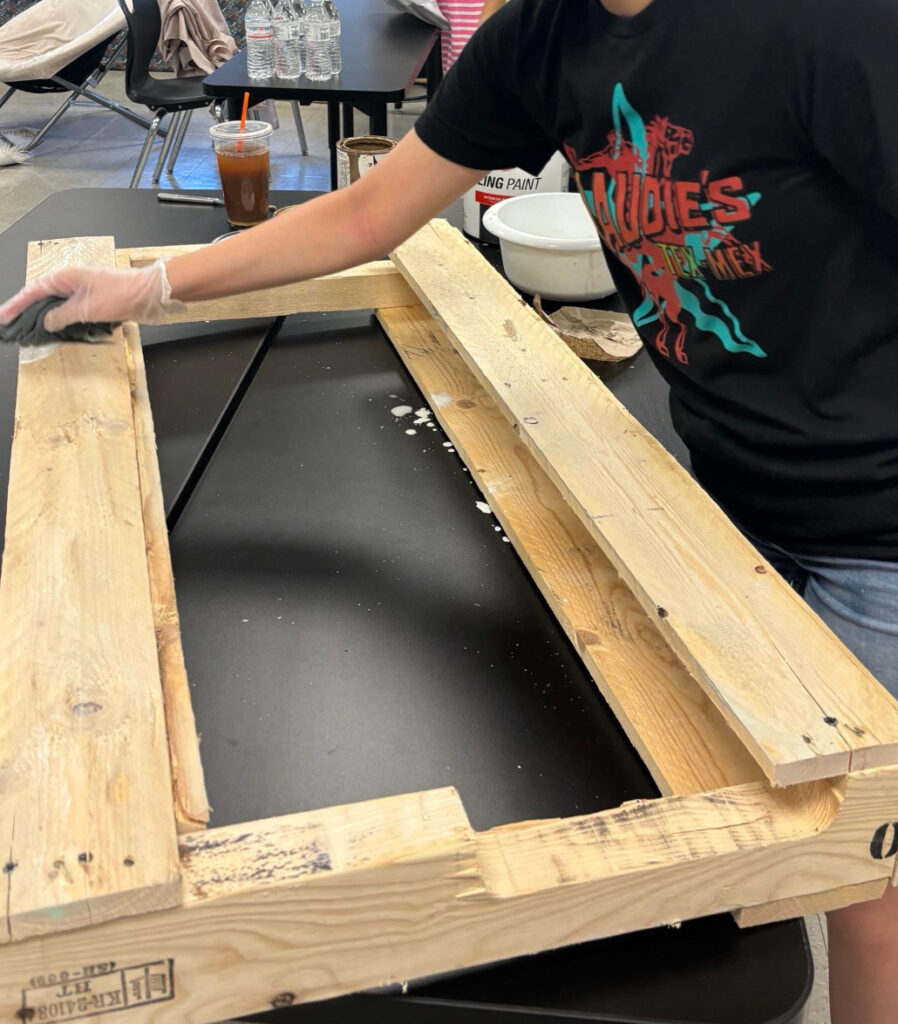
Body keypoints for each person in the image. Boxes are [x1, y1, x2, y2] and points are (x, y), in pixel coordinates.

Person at [2, 1, 897, 1018]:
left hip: (880, 533)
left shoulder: (829, 26)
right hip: (732, 492)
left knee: (868, 885)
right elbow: (366, 215)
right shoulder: (544, 37)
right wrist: (150, 286)